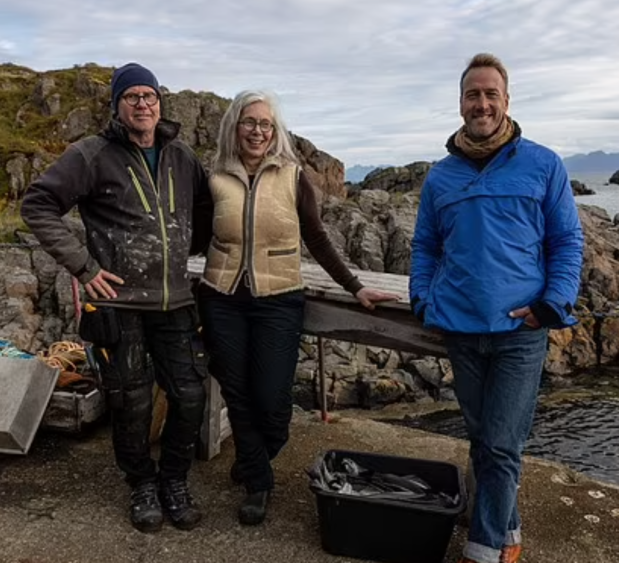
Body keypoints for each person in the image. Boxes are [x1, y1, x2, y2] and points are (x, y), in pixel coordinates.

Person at [21, 62, 212, 534]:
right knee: (131, 402)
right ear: (117, 105)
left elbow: (206, 208)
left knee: (189, 395)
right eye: (133, 97)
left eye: (150, 96)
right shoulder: (91, 154)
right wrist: (84, 267)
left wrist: (193, 250)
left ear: (160, 103)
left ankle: (174, 481)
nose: (143, 104)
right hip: (119, 303)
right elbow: (38, 204)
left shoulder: (182, 156)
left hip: (175, 301)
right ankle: (141, 484)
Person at [409, 53, 584, 563]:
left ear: (507, 101)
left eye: (491, 94)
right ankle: (507, 535)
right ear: (460, 102)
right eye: (472, 94)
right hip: (460, 329)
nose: (481, 103)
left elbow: (567, 241)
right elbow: (425, 246)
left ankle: (482, 551)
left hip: (520, 333)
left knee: (502, 446)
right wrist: (422, 296)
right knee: (485, 441)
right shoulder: (440, 177)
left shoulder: (543, 164)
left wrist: (551, 304)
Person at [197, 89, 399, 525]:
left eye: (266, 124)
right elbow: (193, 236)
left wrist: (356, 287)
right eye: (249, 122)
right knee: (237, 391)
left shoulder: (292, 177)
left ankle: (254, 456)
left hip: (279, 300)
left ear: (276, 131)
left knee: (272, 401)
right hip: (221, 297)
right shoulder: (213, 176)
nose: (257, 131)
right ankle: (258, 482)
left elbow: (318, 238)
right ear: (235, 126)